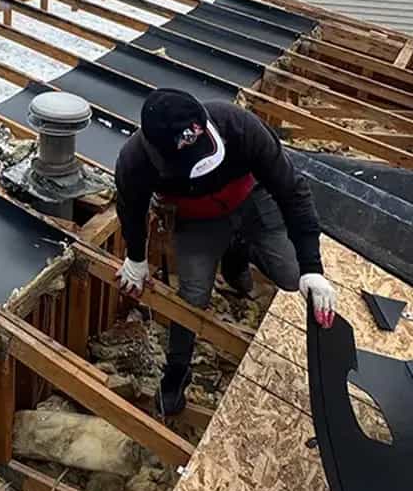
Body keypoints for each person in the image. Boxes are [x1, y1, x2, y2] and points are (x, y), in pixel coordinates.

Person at [114, 88, 336, 414]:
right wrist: (136, 258)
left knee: (293, 276)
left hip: (252, 199)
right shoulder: (135, 161)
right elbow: (130, 209)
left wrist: (312, 267)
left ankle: (239, 252)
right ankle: (177, 372)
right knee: (192, 297)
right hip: (198, 219)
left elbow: (293, 192)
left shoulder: (239, 125)